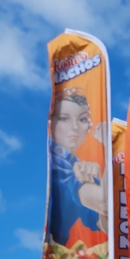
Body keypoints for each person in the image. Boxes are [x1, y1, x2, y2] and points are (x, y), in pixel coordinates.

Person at [47, 88, 107, 245]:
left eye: (82, 119)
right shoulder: (57, 162)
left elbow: (106, 223)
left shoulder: (74, 163)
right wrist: (109, 147)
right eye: (64, 118)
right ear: (51, 123)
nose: (74, 127)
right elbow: (105, 203)